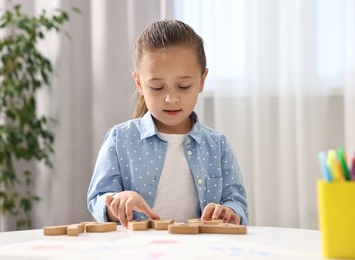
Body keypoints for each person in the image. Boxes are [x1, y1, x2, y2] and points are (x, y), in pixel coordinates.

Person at [87, 19, 248, 227]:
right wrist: (118, 203)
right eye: (157, 87)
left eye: (183, 86)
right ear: (139, 84)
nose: (171, 99)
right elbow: (98, 199)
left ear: (202, 80)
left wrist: (228, 212)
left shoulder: (217, 146)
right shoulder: (120, 140)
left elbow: (238, 203)